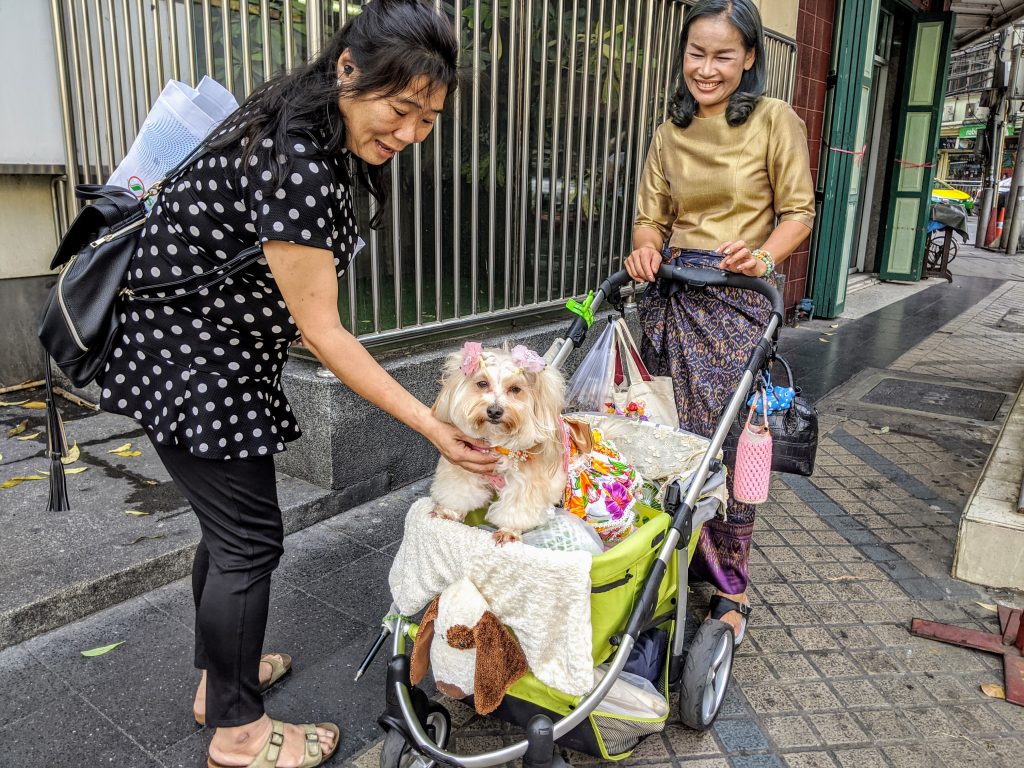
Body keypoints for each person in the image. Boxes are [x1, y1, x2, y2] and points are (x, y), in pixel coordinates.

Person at [97, 2, 497, 766]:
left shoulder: (299, 115)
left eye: (429, 117)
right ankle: (240, 736)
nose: (411, 133)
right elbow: (324, 332)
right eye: (401, 108)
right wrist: (431, 422)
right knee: (249, 543)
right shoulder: (298, 163)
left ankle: (225, 685)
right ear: (348, 68)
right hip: (191, 357)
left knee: (232, 535)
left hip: (199, 347)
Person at [624, 0, 814, 647]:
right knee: (657, 429)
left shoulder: (773, 121)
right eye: (696, 53)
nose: (707, 68)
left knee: (724, 442)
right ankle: (665, 554)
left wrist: (763, 254)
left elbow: (798, 211)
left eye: (723, 55)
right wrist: (645, 246)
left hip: (737, 299)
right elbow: (651, 214)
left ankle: (729, 584)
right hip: (673, 292)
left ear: (750, 58)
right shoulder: (670, 130)